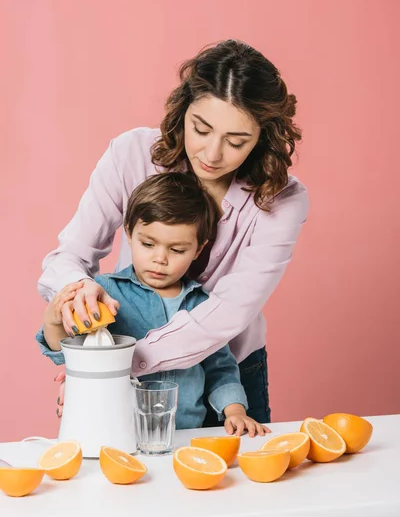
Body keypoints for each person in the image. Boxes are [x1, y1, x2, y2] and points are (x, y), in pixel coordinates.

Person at [38, 39, 309, 426]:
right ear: (183, 110)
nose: (212, 155)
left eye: (236, 142)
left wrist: (117, 364)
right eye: (201, 129)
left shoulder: (282, 200)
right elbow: (68, 258)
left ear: (263, 137)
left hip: (226, 372)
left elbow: (227, 313)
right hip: (125, 375)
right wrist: (77, 293)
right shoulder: (131, 154)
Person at [37, 173, 269, 437]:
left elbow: (221, 368)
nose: (160, 259)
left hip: (184, 436)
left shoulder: (204, 307)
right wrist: (53, 320)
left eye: (177, 250)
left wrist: (235, 412)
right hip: (115, 434)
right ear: (129, 233)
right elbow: (69, 352)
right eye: (148, 244)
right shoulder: (106, 292)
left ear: (198, 248)